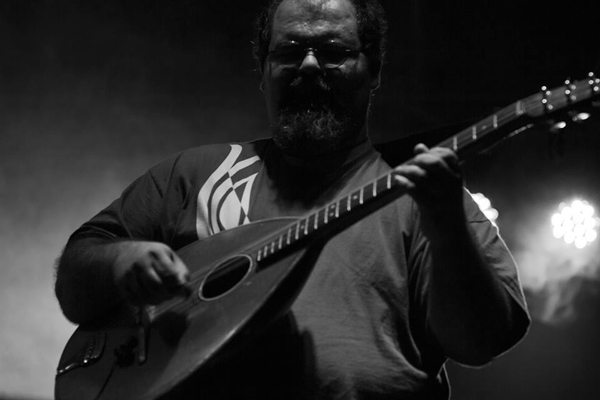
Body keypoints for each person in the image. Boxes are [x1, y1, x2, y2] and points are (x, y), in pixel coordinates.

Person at [54, 0, 530, 399]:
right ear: (263, 71)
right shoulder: (198, 175)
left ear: (374, 71)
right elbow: (75, 284)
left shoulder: (426, 193)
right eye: (289, 51)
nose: (308, 65)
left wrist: (446, 227)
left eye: (333, 51)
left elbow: (481, 342)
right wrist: (121, 262)